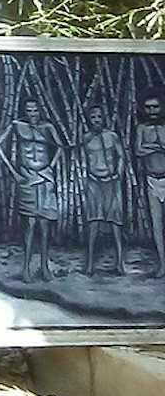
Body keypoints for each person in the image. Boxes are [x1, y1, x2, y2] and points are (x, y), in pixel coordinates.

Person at [0, 97, 61, 281]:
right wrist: (14, 172)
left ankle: (44, 267)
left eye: (35, 110)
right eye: (29, 110)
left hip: (45, 176)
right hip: (26, 176)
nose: (32, 114)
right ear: (25, 111)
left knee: (45, 224)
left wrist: (51, 167)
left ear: (40, 110)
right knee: (30, 225)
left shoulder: (48, 127)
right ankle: (25, 268)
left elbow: (59, 148)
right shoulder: (17, 125)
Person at [78, 103, 128, 276]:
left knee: (115, 222)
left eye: (99, 116)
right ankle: (90, 263)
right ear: (89, 120)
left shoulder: (112, 136)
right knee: (93, 222)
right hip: (94, 183)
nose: (97, 120)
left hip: (112, 182)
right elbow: (83, 159)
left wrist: (118, 175)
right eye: (93, 117)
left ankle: (119, 262)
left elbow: (121, 156)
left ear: (104, 118)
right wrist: (86, 177)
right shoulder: (86, 138)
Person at [138, 96, 165, 276]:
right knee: (157, 225)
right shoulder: (141, 128)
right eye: (148, 107)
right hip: (151, 179)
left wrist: (151, 146)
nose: (152, 111)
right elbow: (138, 150)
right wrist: (158, 147)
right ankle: (163, 264)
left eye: (155, 107)